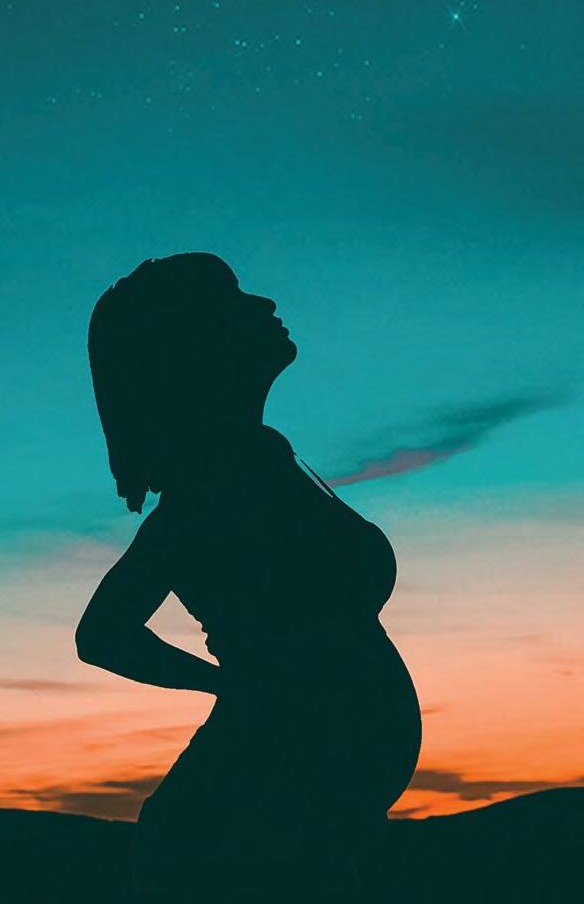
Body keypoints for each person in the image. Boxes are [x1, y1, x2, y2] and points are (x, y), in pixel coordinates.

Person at [77, 253, 422, 900]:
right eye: (234, 302)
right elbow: (101, 635)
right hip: (240, 829)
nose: (264, 305)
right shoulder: (210, 489)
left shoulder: (261, 460)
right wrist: (228, 683)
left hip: (296, 821)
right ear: (197, 347)